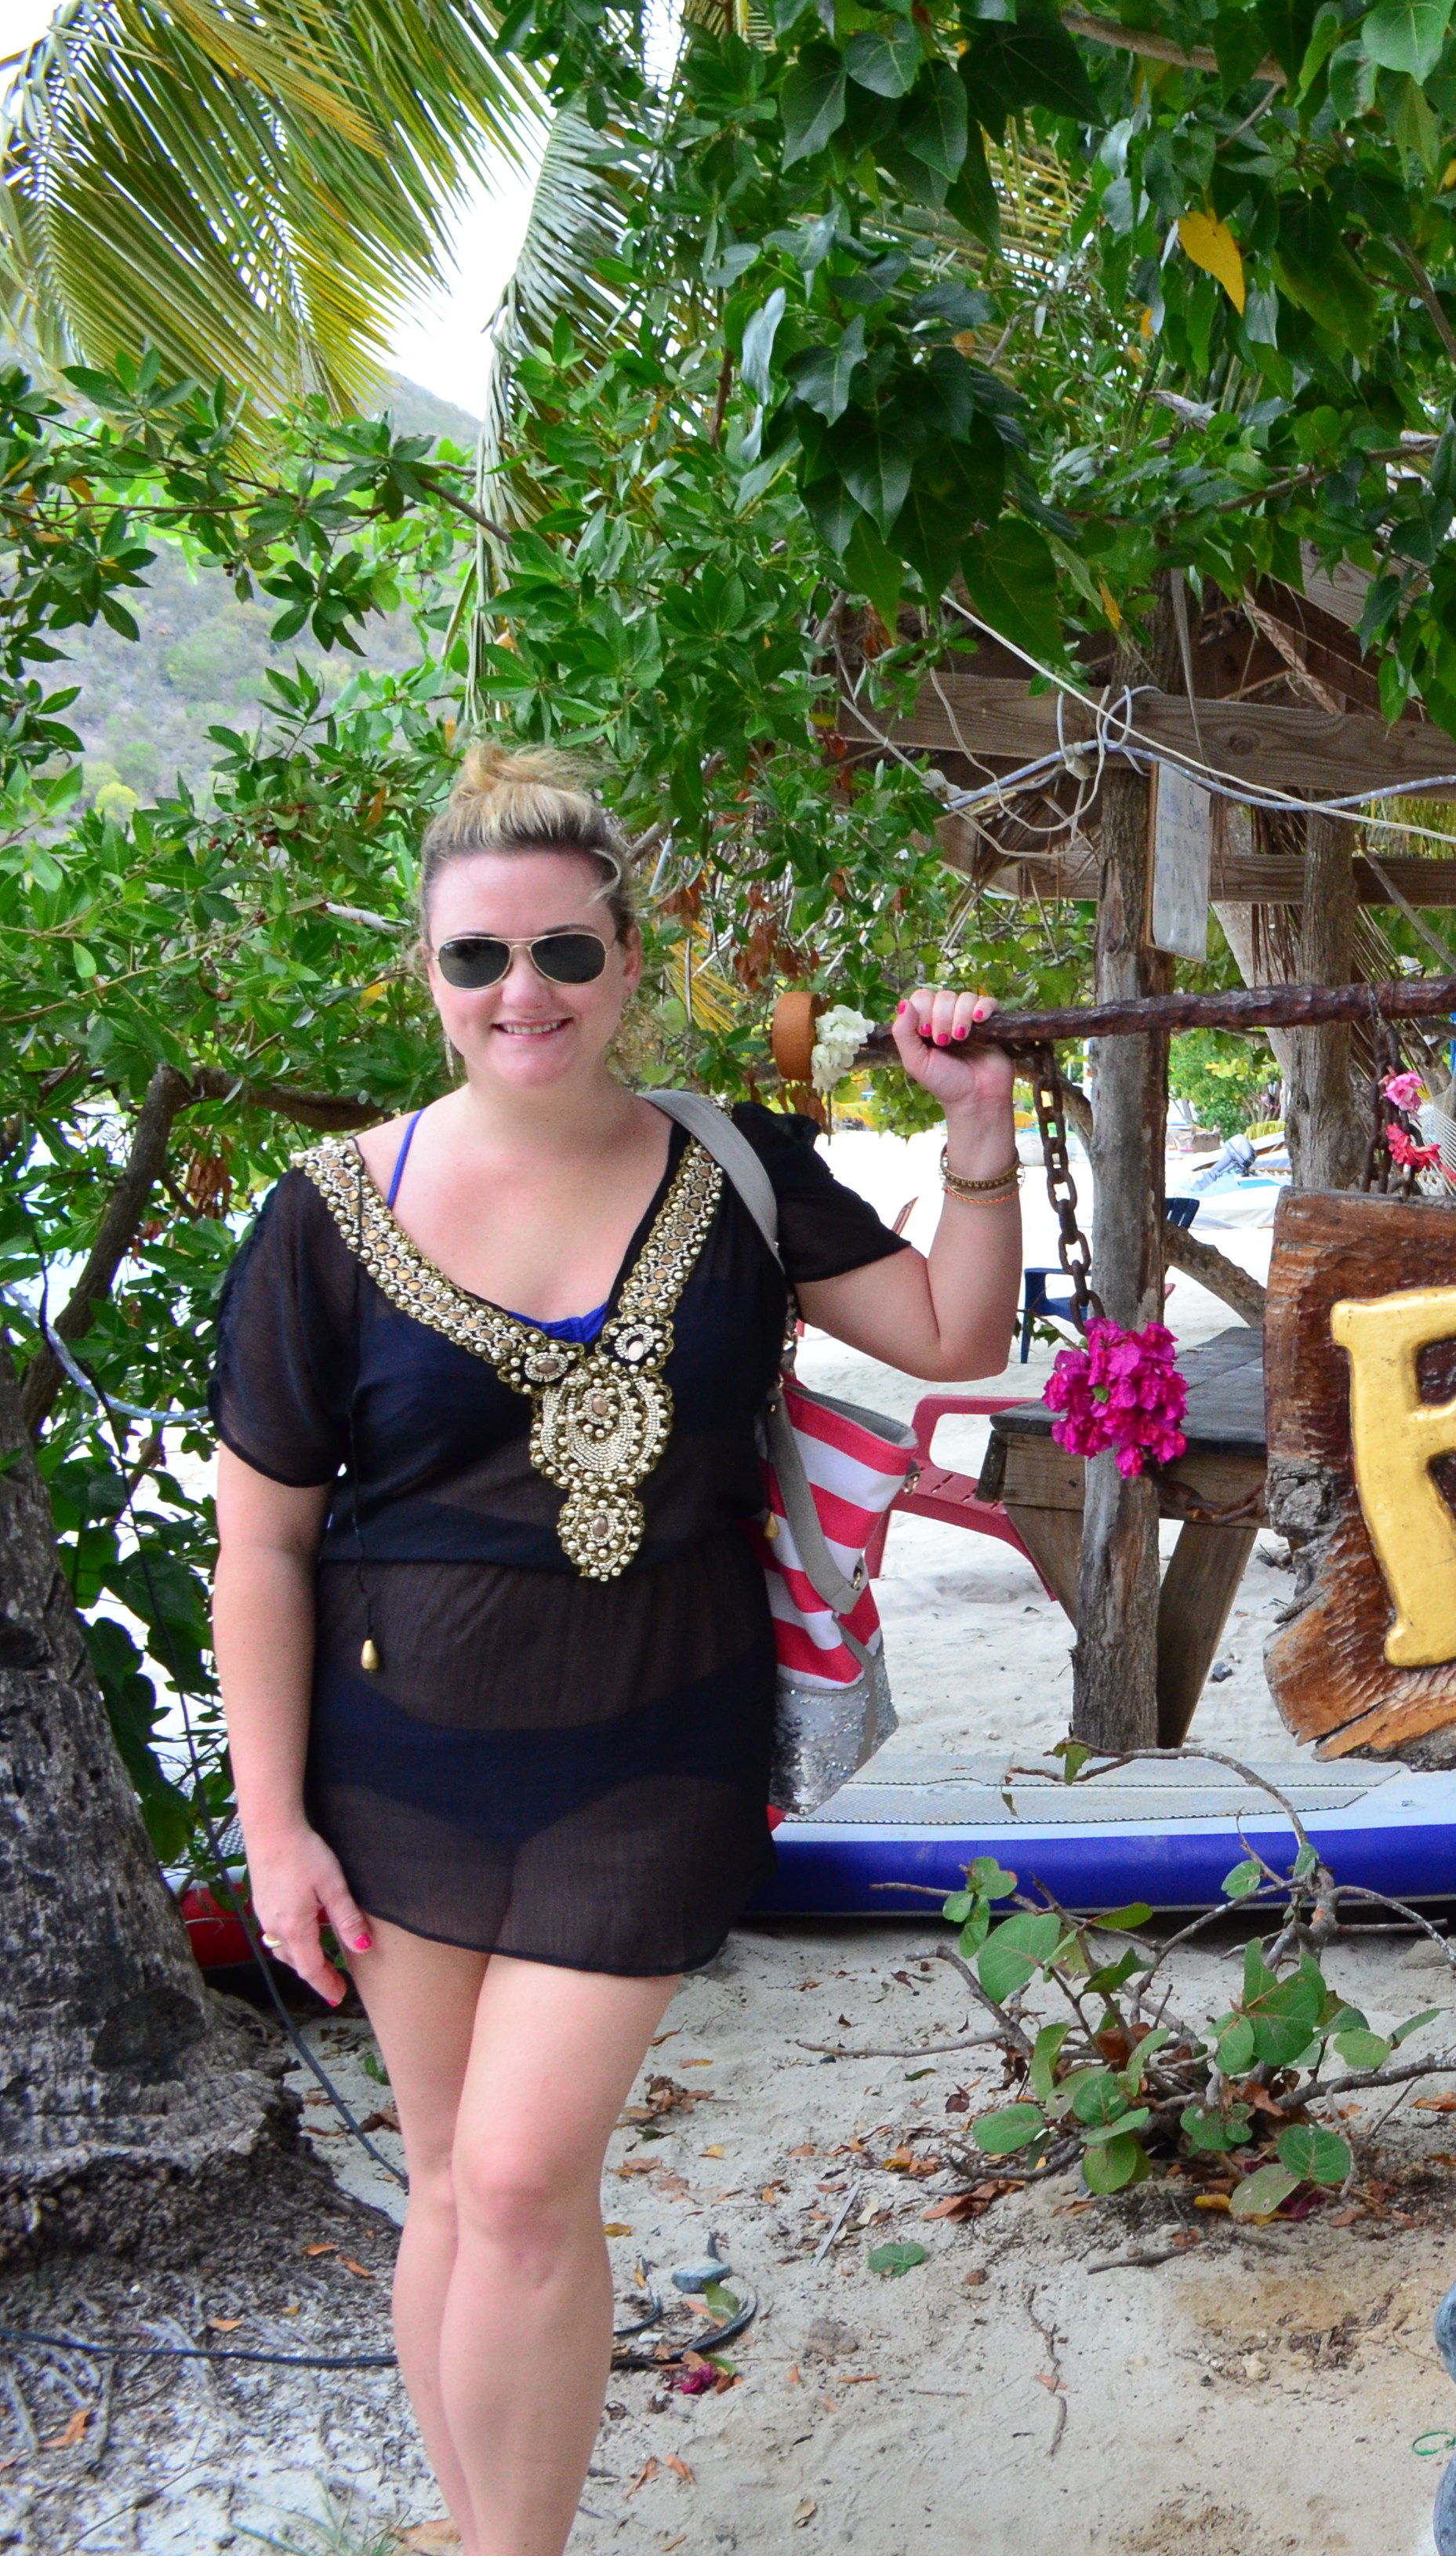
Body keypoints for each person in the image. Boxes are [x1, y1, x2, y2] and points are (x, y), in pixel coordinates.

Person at [209, 746, 1026, 2556]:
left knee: (517, 2178)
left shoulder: (739, 1173)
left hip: (654, 1757)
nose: (526, 994)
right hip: (392, 1769)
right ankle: (479, 2527)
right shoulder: (323, 1217)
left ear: (629, 961)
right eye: (478, 959)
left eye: (565, 953)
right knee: (447, 2183)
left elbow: (957, 1337)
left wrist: (977, 1139)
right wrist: (273, 1826)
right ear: (428, 978)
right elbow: (259, 1543)